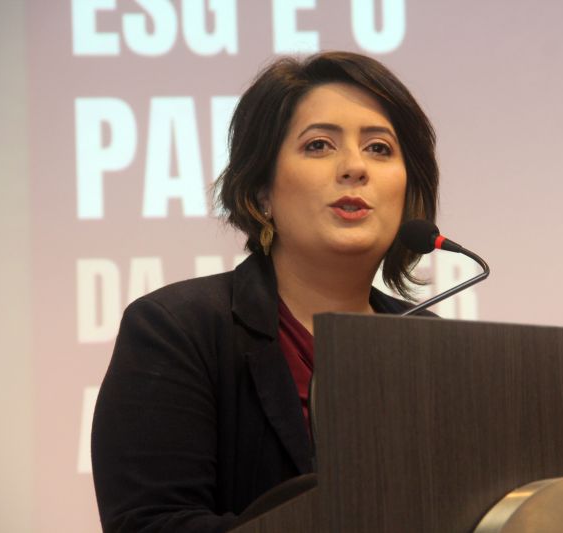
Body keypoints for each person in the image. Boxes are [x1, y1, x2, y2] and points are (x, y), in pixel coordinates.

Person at [91, 51, 439, 532]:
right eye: (319, 145)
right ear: (261, 193)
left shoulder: (432, 345)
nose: (355, 167)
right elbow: (151, 523)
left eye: (379, 148)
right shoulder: (178, 330)